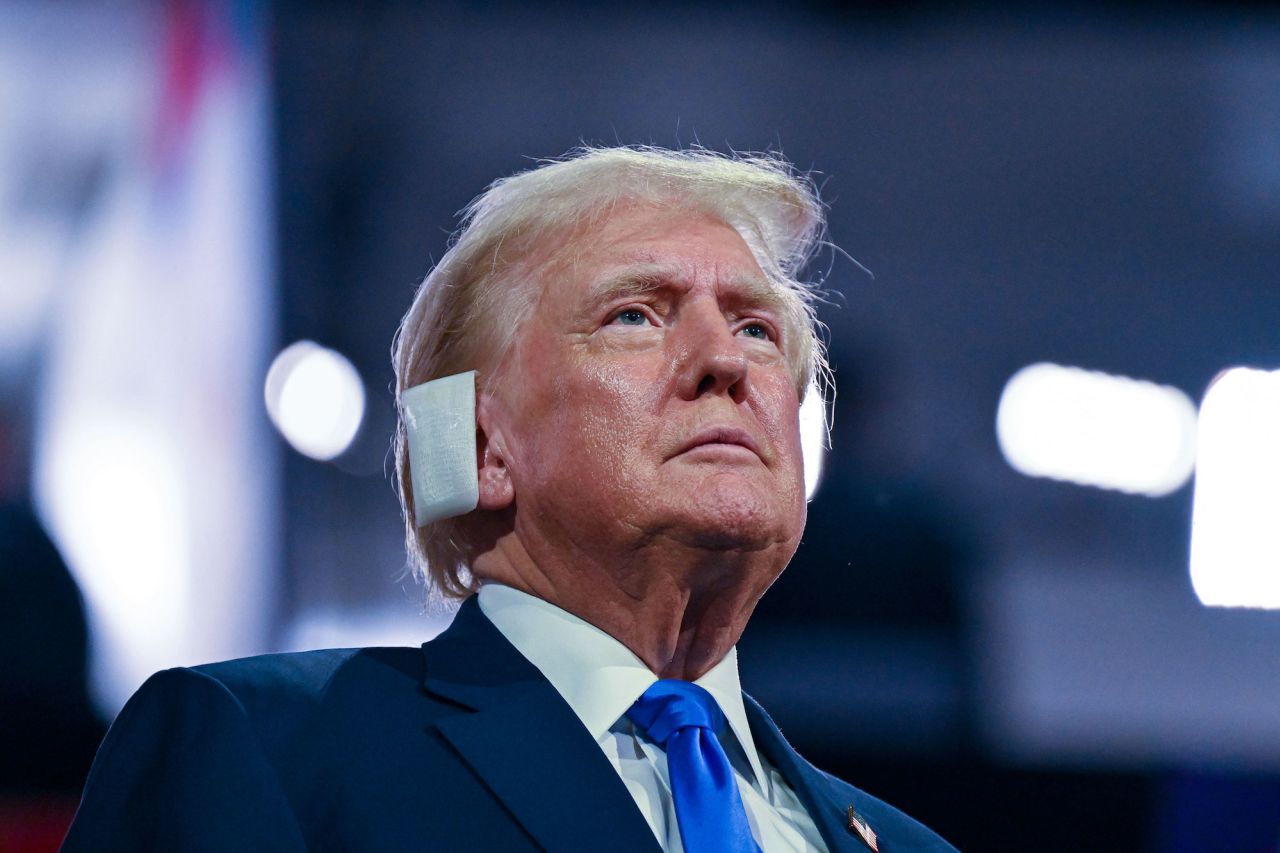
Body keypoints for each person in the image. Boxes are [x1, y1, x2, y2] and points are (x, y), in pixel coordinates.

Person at [63, 147, 957, 852]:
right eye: (635, 315)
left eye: (756, 327)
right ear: (485, 446)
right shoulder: (267, 751)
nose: (726, 362)